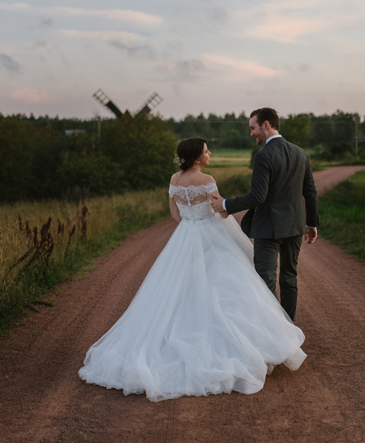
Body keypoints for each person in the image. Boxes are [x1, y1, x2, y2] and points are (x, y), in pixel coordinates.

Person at [78, 138, 306, 402]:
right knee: (228, 283)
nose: (209, 153)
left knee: (179, 287)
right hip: (212, 235)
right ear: (197, 157)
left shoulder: (174, 179)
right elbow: (219, 211)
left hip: (185, 235)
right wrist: (220, 213)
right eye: (206, 150)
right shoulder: (207, 179)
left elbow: (176, 215)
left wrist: (191, 221)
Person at [210, 108, 318, 322]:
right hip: (295, 227)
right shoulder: (300, 153)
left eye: (253, 128)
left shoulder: (263, 156)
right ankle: (289, 331)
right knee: (289, 278)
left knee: (265, 280)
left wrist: (225, 204)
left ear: (266, 125)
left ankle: (272, 332)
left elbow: (258, 197)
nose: (252, 133)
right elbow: (310, 191)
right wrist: (311, 223)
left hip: (269, 229)